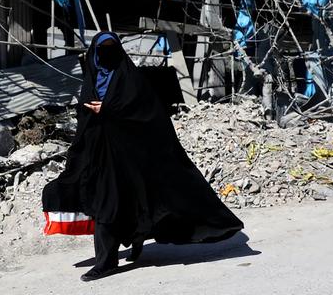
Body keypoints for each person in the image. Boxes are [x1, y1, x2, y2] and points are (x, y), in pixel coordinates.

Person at [42, 31, 244, 281]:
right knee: (106, 205)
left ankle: (128, 246)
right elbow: (84, 121)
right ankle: (106, 261)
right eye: (102, 49)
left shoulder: (131, 79)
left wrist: (109, 109)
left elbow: (149, 114)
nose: (106, 54)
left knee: (135, 204)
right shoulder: (91, 81)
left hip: (132, 158)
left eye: (111, 48)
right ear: (94, 53)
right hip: (101, 158)